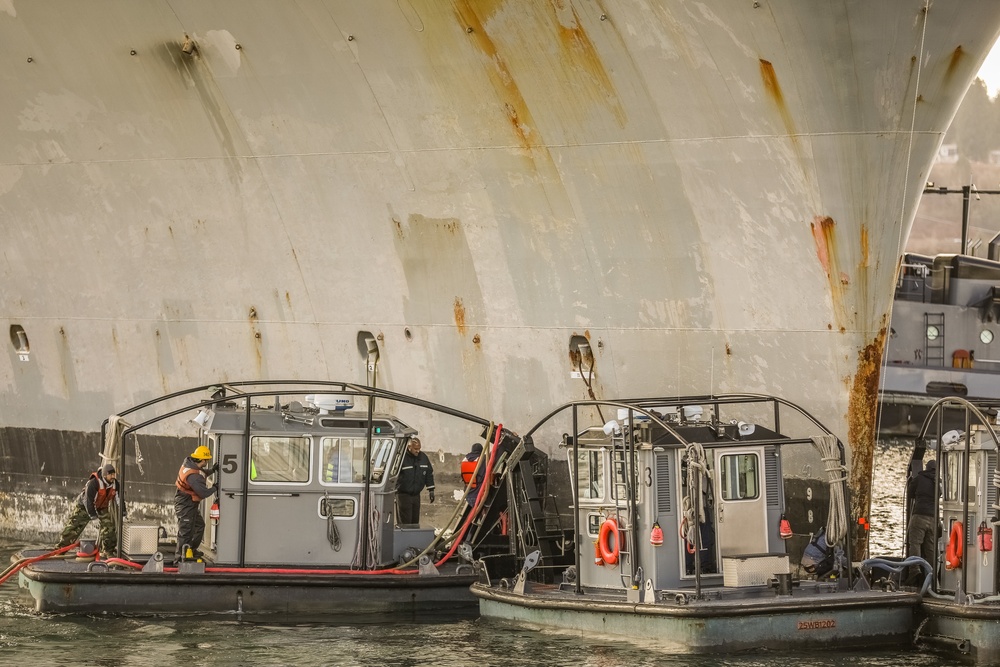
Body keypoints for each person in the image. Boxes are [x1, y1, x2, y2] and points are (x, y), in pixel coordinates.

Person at [56, 463, 125, 557]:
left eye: (114, 474)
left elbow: (119, 499)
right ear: (105, 475)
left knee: (109, 528)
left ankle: (108, 551)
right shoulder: (94, 483)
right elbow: (88, 500)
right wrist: (93, 517)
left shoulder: (115, 484)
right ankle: (60, 549)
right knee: (73, 528)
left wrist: (123, 513)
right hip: (84, 507)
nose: (113, 477)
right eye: (111, 474)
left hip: (101, 507)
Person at [175, 445, 219, 560]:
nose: (208, 461)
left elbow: (202, 473)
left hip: (189, 503)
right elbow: (203, 493)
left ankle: (191, 550)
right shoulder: (193, 476)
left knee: (199, 526)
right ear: (202, 460)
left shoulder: (191, 465)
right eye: (207, 460)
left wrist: (213, 470)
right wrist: (215, 488)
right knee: (185, 531)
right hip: (185, 504)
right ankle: (180, 557)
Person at [906, 459, 938, 568]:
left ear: (927, 468)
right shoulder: (939, 481)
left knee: (915, 543)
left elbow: (910, 493)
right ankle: (932, 573)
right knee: (931, 548)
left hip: (919, 515)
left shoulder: (919, 478)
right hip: (933, 518)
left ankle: (915, 570)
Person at [396, 437, 434, 526]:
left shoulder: (423, 457)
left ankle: (413, 538)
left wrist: (431, 490)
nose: (418, 451)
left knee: (415, 521)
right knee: (405, 522)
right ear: (409, 447)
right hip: (403, 495)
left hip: (416, 495)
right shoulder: (401, 458)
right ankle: (405, 539)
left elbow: (429, 473)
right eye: (415, 449)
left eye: (419, 449)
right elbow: (394, 474)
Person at [461, 442, 486, 506]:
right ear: (481, 451)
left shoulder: (465, 460)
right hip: (478, 494)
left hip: (468, 494)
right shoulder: (482, 459)